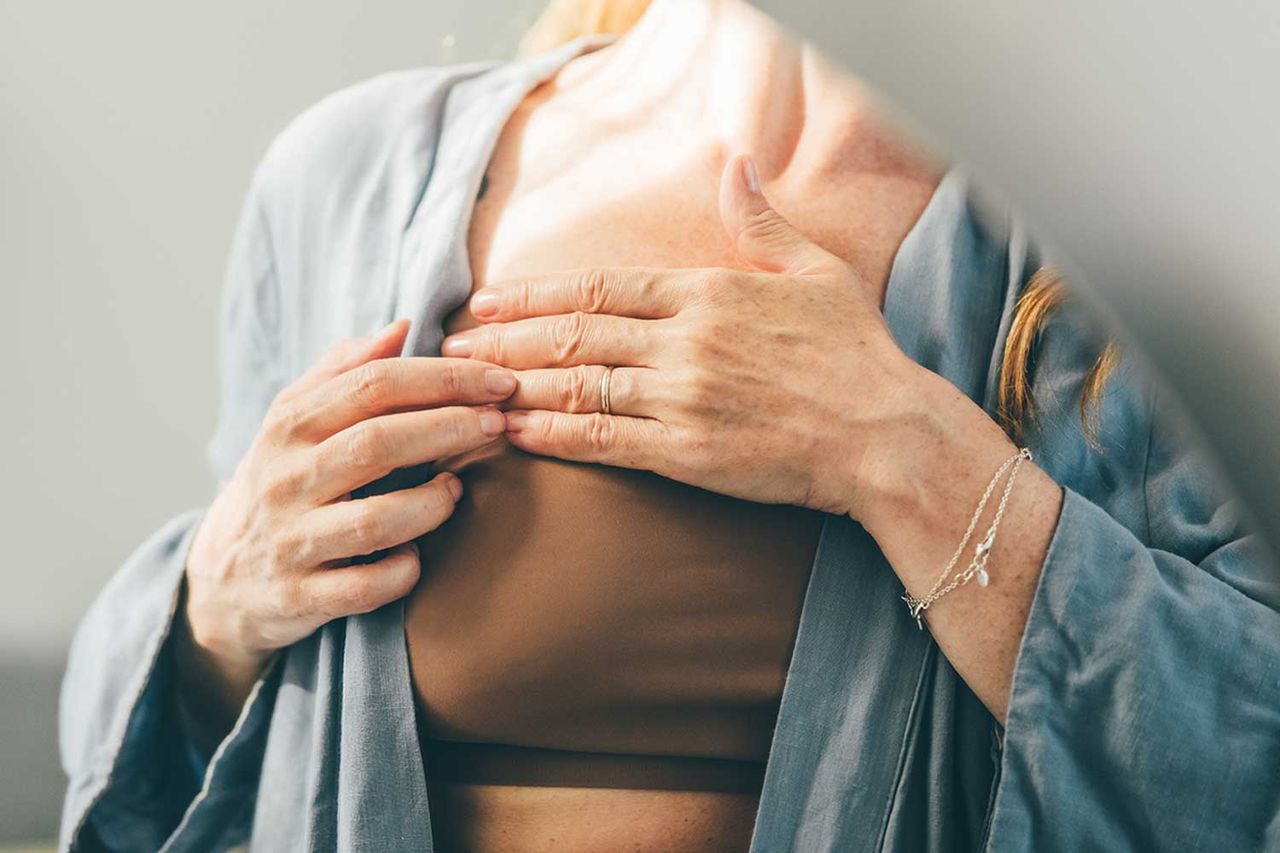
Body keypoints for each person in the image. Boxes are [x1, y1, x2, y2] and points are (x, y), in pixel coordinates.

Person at [58, 0, 1280, 850]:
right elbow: (187, 758)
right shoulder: (351, 179)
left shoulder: (1140, 251)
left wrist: (904, 455)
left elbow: (1248, 767)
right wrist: (215, 609)